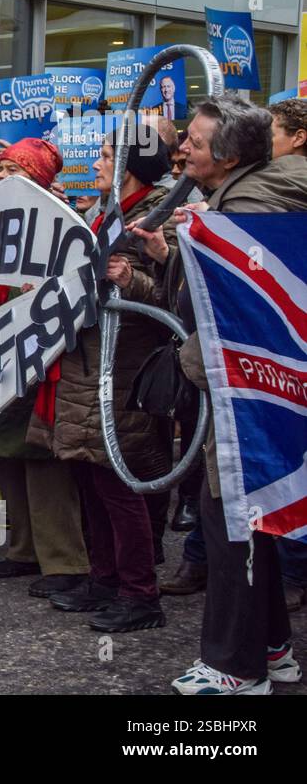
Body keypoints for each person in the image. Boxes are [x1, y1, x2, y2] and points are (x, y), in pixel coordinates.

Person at [125, 96, 307, 692]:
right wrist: (177, 251)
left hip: (247, 394)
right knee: (241, 517)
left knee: (234, 519)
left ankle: (235, 667)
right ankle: (273, 648)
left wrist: (204, 241)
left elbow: (241, 308)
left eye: (195, 143)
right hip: (247, 392)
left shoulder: (248, 206)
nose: (182, 149)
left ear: (228, 155)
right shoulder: (238, 199)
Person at [24, 120, 178, 632]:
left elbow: (177, 296)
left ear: (132, 167)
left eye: (108, 155)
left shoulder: (162, 218)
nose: (97, 162)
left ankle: (140, 594)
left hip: (123, 368)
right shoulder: (101, 215)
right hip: (87, 361)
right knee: (89, 475)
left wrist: (131, 277)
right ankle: (105, 579)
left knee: (118, 483)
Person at [0, 138, 92, 588]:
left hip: (44, 358)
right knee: (6, 456)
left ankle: (64, 562)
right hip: (2, 355)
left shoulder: (59, 225)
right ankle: (24, 549)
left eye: (11, 169)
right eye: (0, 169)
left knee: (41, 463)